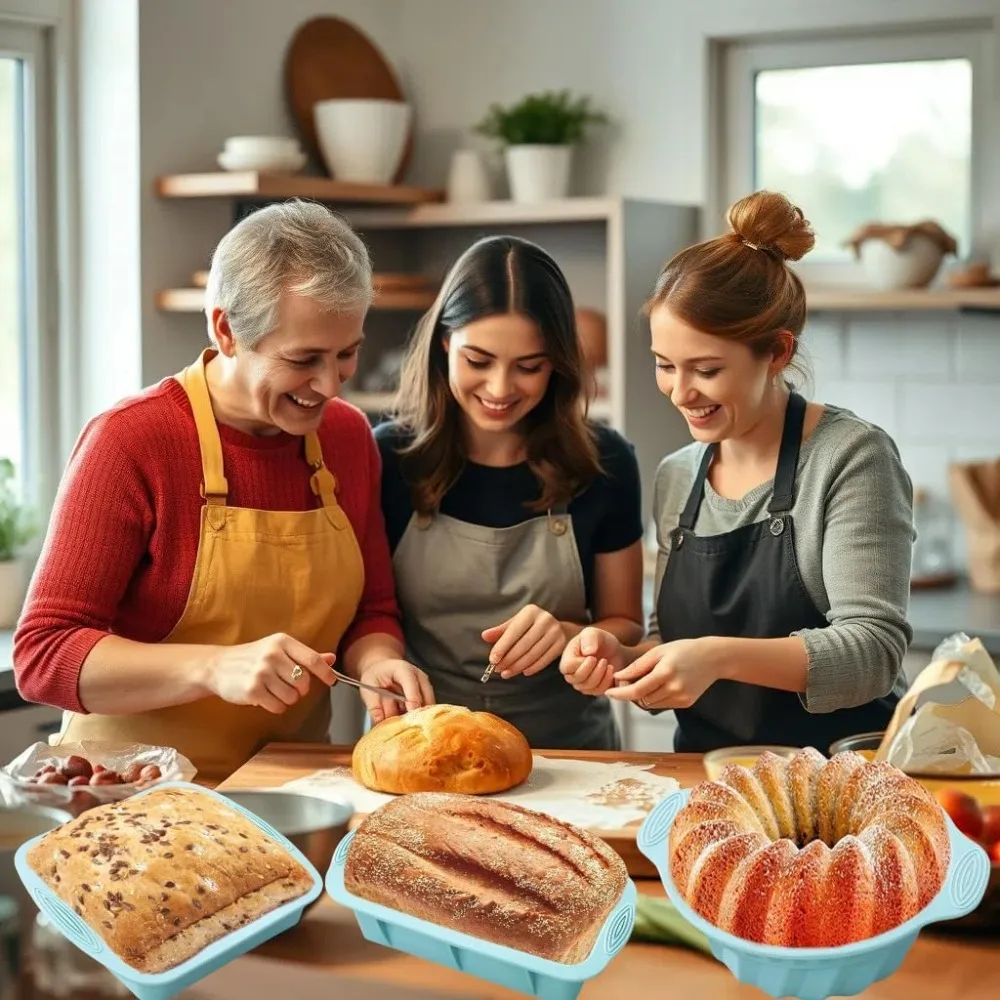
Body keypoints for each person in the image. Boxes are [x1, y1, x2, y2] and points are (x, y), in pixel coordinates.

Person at [13, 199, 433, 781]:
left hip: (291, 787)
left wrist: (379, 660)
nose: (330, 384)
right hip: (131, 799)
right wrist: (213, 668)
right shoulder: (132, 440)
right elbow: (44, 655)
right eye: (303, 358)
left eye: (347, 353)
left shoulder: (347, 436)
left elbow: (372, 609)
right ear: (227, 330)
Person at [560, 190, 913, 754]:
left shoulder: (851, 458)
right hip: (709, 778)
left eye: (706, 369)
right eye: (664, 366)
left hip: (840, 778)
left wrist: (716, 656)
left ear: (776, 352)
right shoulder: (678, 475)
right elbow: (669, 644)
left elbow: (873, 653)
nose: (680, 392)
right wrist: (625, 661)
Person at [375, 235, 646, 750]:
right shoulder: (390, 459)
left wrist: (571, 635)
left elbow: (627, 624)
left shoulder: (605, 461)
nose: (500, 389)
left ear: (559, 364)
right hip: (422, 747)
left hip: (569, 753)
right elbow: (369, 614)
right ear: (444, 344)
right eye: (478, 360)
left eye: (529, 367)